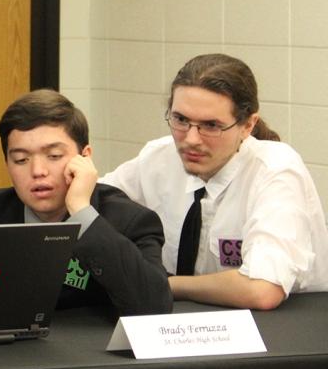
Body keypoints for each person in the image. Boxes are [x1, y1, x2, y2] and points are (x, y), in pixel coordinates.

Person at [101, 53, 328, 310]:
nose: (191, 139)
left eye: (211, 125)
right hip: (188, 324)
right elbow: (94, 199)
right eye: (181, 120)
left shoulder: (275, 170)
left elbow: (262, 289)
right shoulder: (160, 157)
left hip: (281, 332)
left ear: (247, 126)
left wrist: (156, 284)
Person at [0, 90, 172, 316]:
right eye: (21, 160)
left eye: (54, 156)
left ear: (84, 157)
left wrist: (81, 211)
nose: (38, 171)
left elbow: (154, 307)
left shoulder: (129, 221)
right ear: (8, 165)